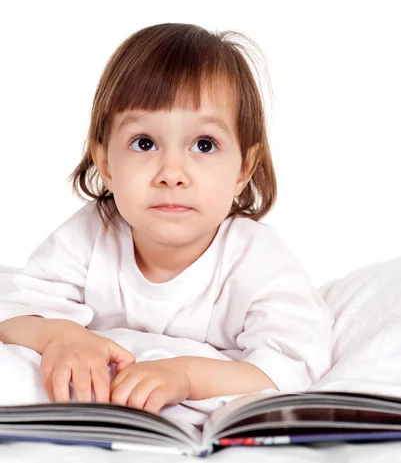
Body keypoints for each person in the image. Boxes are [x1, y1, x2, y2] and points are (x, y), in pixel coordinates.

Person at [0, 23, 333, 415]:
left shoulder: (257, 260)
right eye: (145, 143)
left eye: (204, 145)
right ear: (105, 162)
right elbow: (13, 311)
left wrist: (188, 377)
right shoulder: (91, 234)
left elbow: (294, 365)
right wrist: (61, 335)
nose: (171, 172)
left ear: (244, 168)